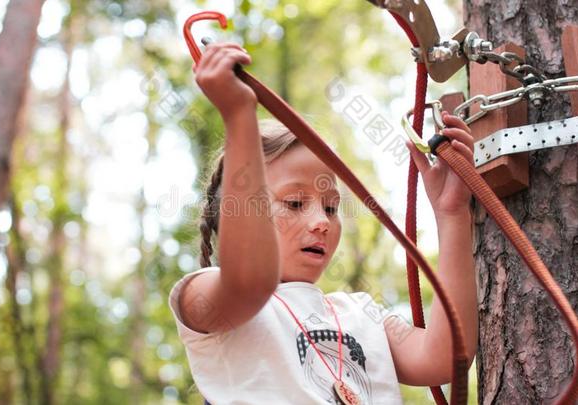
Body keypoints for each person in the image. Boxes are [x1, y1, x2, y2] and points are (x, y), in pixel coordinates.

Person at [169, 42, 478, 404]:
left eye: (331, 207)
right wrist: (240, 118)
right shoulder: (206, 294)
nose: (321, 222)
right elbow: (250, 282)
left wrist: (452, 215)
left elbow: (444, 358)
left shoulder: (362, 314)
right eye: (295, 202)